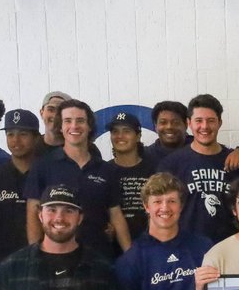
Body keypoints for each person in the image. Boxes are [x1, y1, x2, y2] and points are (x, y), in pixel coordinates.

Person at [25, 99, 131, 255]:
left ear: (89, 127)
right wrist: (34, 255)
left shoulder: (105, 169)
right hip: (55, 257)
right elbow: (33, 212)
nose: (74, 126)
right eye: (68, 121)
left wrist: (130, 255)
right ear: (60, 127)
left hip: (98, 257)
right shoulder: (42, 166)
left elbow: (115, 215)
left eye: (80, 121)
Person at [156, 94, 239, 243]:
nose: (204, 126)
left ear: (220, 123)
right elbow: (158, 211)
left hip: (230, 246)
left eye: (211, 121)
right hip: (186, 249)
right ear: (189, 123)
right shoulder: (171, 164)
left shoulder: (236, 161)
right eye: (199, 121)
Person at [0, 109, 41, 267]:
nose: (16, 140)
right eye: (10, 134)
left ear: (36, 138)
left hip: (41, 259)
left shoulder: (46, 173)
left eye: (23, 134)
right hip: (2, 261)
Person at [102, 111, 156, 241]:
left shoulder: (154, 170)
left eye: (126, 131)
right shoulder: (102, 171)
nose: (120, 136)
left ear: (138, 136)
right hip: (112, 250)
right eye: (115, 131)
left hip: (150, 245)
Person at [142, 100, 192, 165]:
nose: (169, 127)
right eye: (163, 122)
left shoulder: (202, 150)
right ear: (155, 126)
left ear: (186, 125)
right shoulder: (145, 156)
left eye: (175, 122)